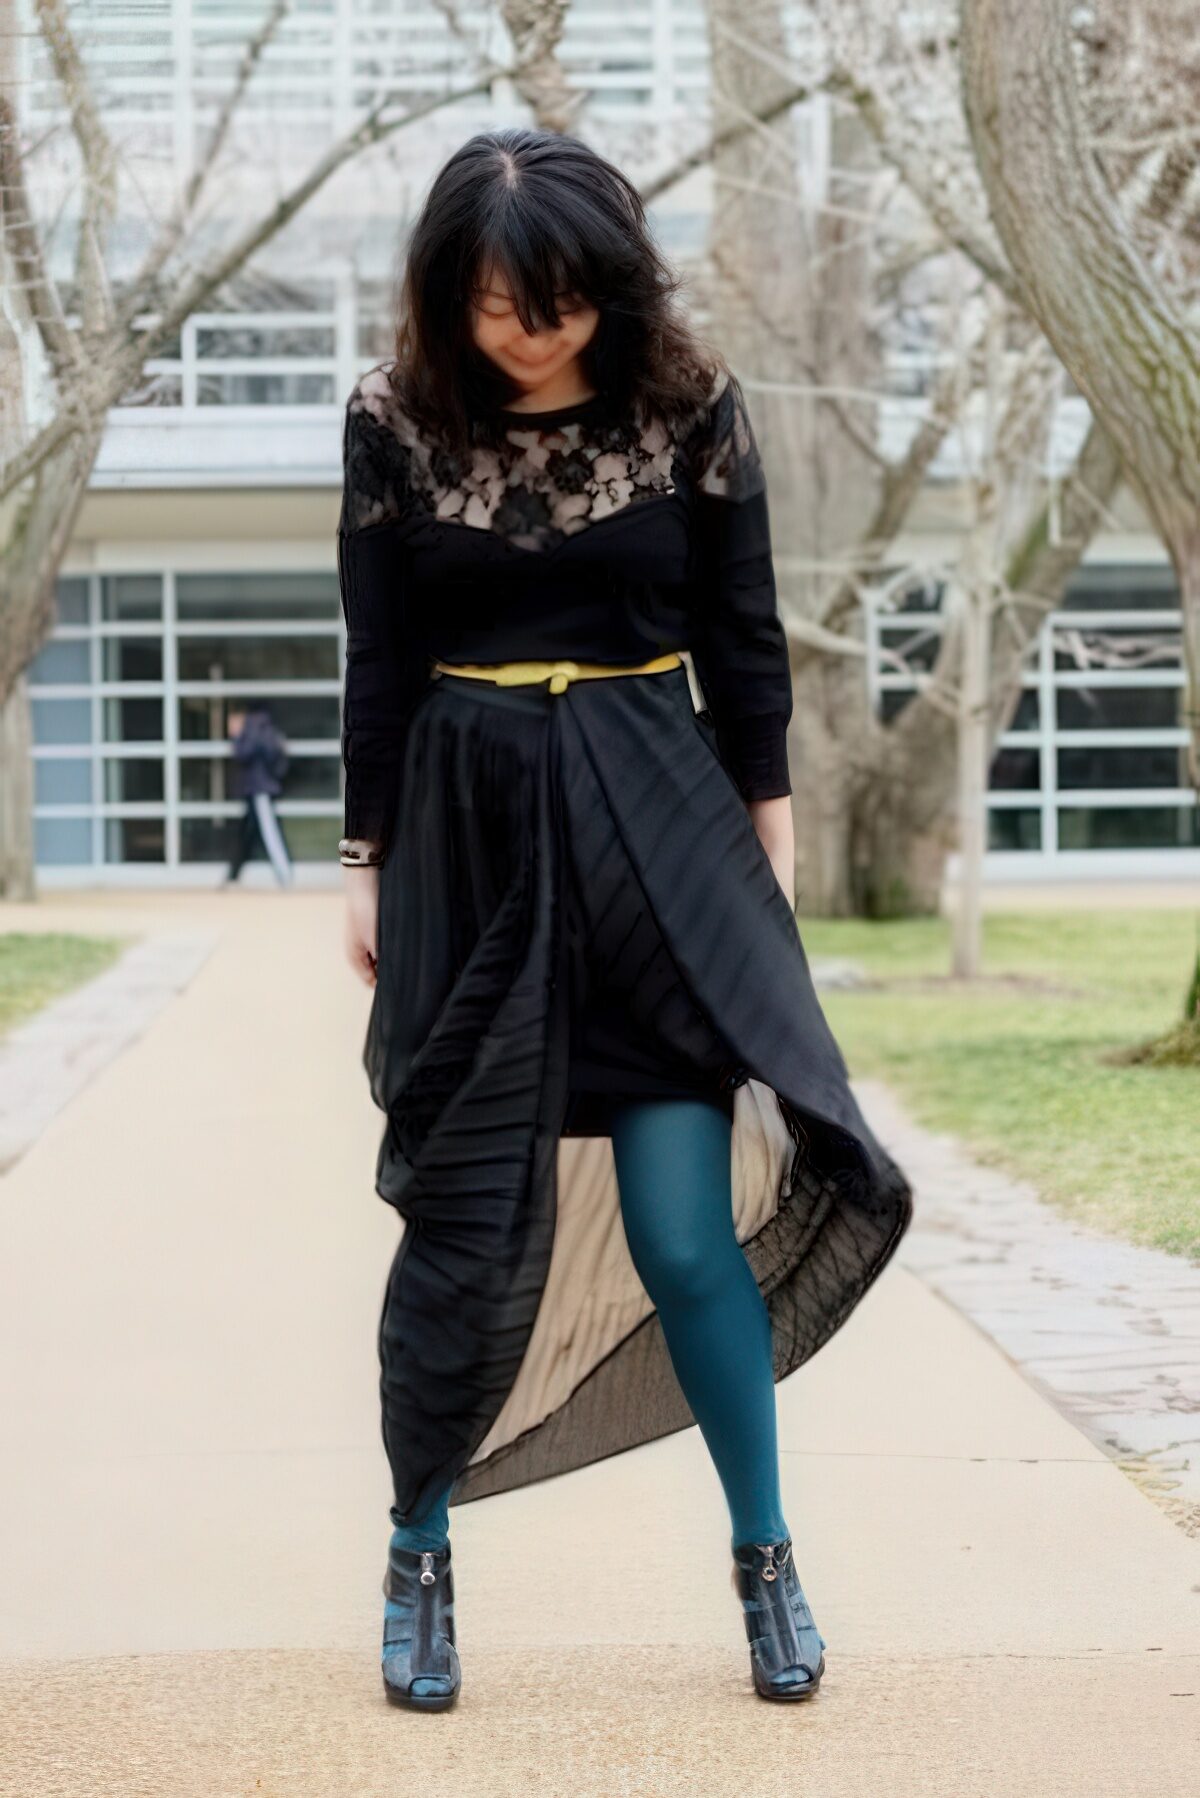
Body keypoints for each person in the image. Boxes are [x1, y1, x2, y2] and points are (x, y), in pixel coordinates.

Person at [337, 126, 913, 1712]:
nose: (534, 332)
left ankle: (768, 1557)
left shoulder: (686, 408)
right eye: (503, 303)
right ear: (449, 292)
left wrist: (768, 847)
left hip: (657, 833)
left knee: (680, 1230)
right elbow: (376, 659)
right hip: (466, 838)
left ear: (615, 289)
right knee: (463, 1229)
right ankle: (418, 1552)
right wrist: (363, 857)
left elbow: (745, 637)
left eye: (567, 302)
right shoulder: (392, 423)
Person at [223, 705, 294, 887]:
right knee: (246, 834)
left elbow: (242, 753)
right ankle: (233, 876)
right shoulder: (262, 728)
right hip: (257, 789)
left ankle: (285, 874)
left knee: (270, 833)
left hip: (259, 790)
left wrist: (236, 735)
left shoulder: (251, 731)